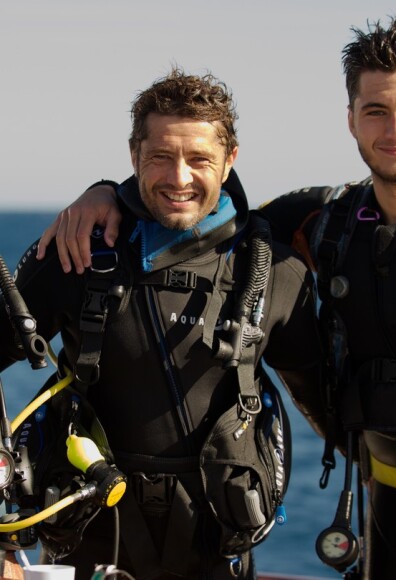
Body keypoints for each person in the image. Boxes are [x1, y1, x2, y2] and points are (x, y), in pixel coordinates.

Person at [37, 18, 396, 579]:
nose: (395, 129)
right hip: (384, 497)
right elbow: (201, 213)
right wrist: (105, 195)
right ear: (351, 119)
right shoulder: (324, 222)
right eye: (375, 111)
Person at [0, 68, 326, 579]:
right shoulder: (77, 252)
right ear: (134, 156)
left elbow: (334, 410)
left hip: (216, 547)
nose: (179, 178)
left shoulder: (275, 273)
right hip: (90, 538)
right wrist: (3, 542)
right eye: (160, 157)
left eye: (200, 159)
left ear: (230, 161)